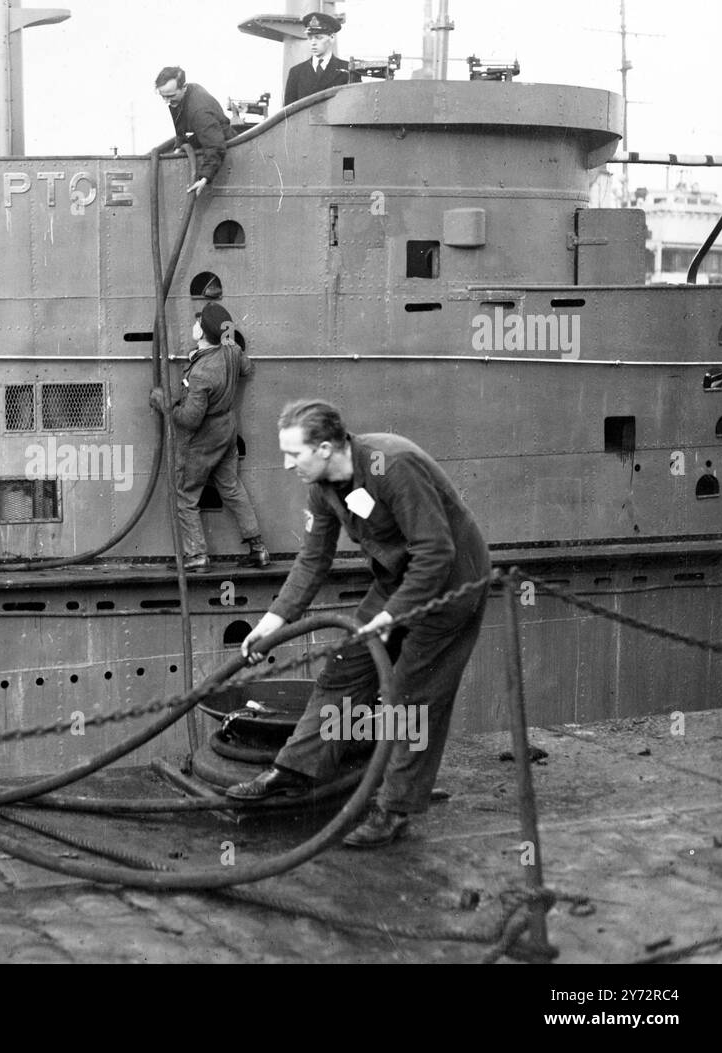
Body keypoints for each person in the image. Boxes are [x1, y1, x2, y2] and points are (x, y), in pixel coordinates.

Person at [225, 400, 489, 849]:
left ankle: (395, 808)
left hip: (451, 582)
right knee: (346, 667)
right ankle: (296, 770)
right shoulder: (323, 485)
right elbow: (313, 560)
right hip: (399, 579)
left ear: (326, 448)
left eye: (294, 454)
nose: (288, 464)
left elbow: (436, 552)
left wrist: (391, 616)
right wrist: (273, 621)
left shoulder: (394, 466)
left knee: (410, 693)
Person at [149, 301, 269, 572]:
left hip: (203, 439)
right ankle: (258, 549)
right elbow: (247, 368)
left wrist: (165, 403)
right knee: (231, 487)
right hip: (226, 431)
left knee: (184, 494)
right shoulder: (232, 351)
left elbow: (190, 420)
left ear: (202, 333)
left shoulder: (202, 374)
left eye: (197, 322)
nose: (193, 325)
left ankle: (197, 555)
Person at [154, 66, 230, 197]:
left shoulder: (199, 111)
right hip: (207, 139)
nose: (166, 101)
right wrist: (179, 145)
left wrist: (204, 178)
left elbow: (215, 146)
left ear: (183, 87)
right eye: (163, 96)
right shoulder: (179, 98)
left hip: (221, 146)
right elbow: (181, 125)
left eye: (170, 96)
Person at [282, 12, 361, 106]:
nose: (313, 42)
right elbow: (288, 115)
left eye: (318, 38)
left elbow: (356, 108)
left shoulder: (349, 70)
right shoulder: (296, 73)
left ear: (332, 38)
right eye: (310, 38)